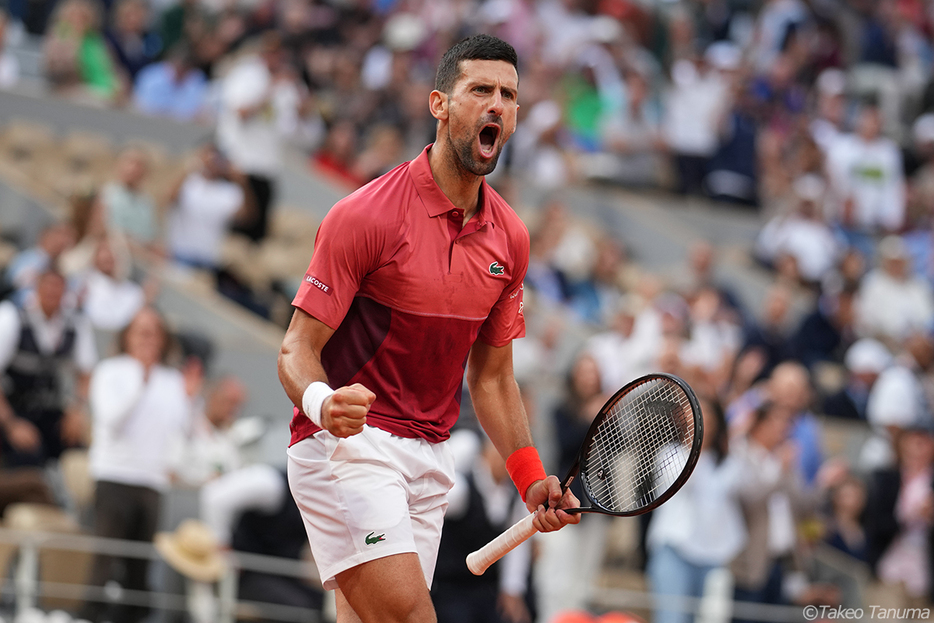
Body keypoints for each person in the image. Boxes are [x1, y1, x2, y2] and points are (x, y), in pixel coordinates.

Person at [279, 34, 580, 623]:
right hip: (348, 448)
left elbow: (492, 378)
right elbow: (297, 348)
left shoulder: (511, 239)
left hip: (429, 457)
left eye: (509, 95)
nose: (497, 104)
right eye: (480, 91)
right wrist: (323, 403)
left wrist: (530, 476)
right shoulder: (363, 216)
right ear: (439, 104)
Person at [79, 307, 195, 623]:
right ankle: (89, 615)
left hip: (152, 480)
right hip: (114, 474)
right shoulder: (110, 371)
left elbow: (181, 431)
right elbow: (110, 420)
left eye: (153, 331)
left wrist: (190, 399)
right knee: (105, 558)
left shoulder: (172, 379)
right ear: (127, 336)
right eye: (141, 330)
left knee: (140, 565)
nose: (147, 337)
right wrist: (140, 382)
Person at [0, 269, 97, 468]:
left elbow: (86, 372)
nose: (52, 293)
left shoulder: (75, 324)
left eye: (58, 288)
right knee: (27, 456)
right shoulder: (12, 317)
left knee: (75, 450)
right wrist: (11, 425)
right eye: (48, 287)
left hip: (49, 409)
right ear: (37, 289)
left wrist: (76, 410)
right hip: (12, 409)